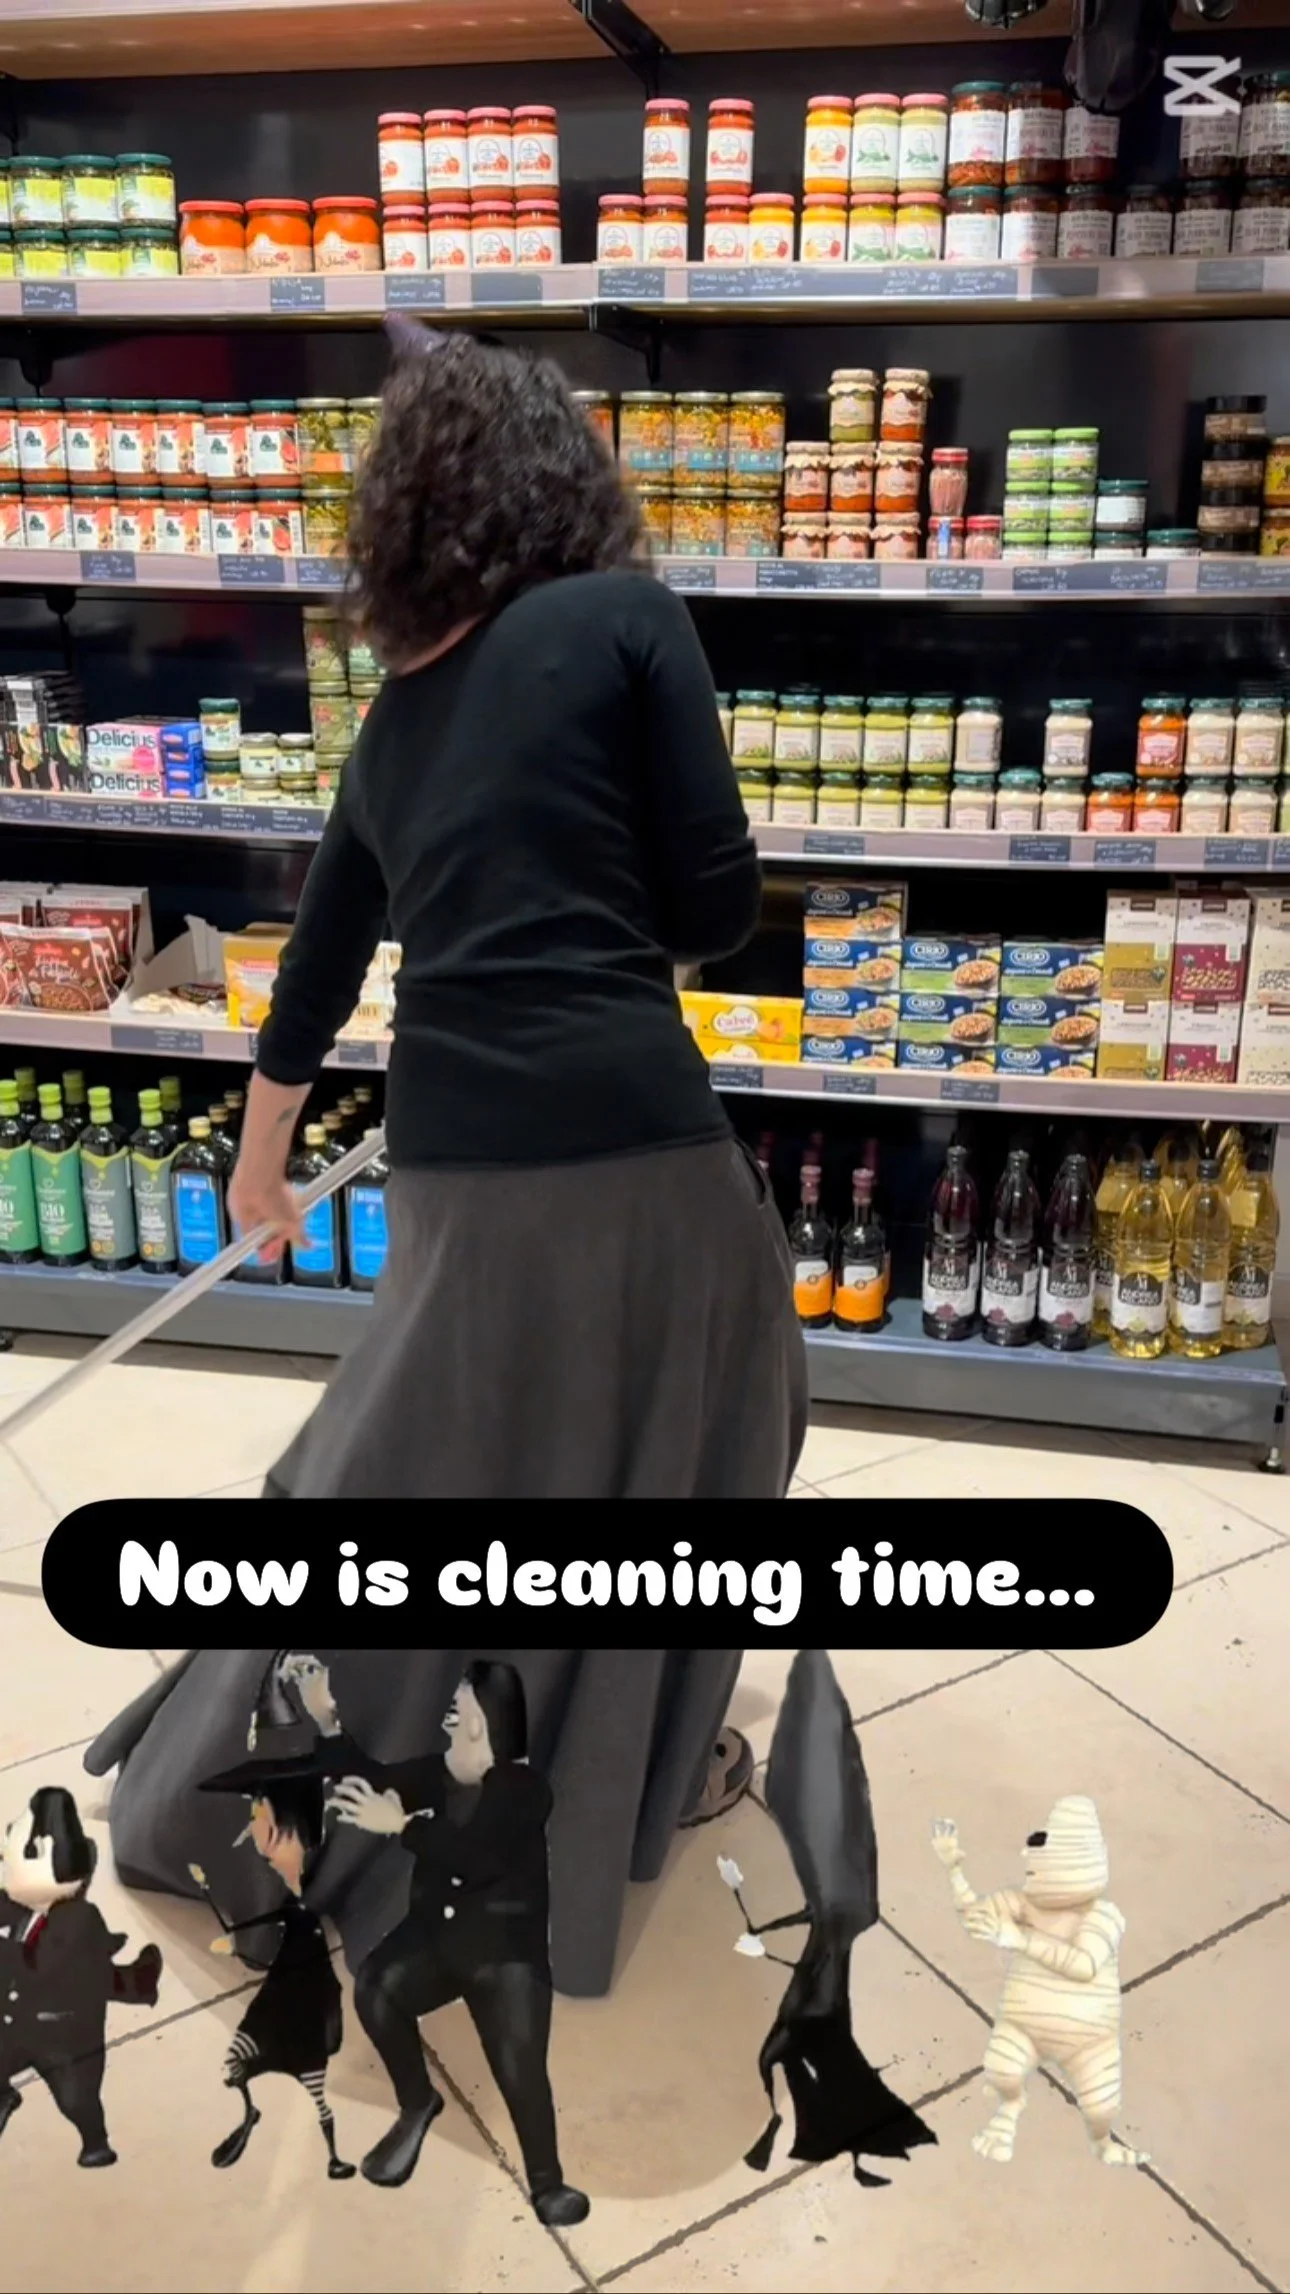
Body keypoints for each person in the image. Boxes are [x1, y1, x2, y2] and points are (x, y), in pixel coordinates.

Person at [227, 323, 806, 1502]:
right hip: (629, 1125)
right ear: (569, 478)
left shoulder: (389, 721)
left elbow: (318, 969)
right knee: (703, 1423)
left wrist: (261, 1162)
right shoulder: (629, 616)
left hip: (447, 1154)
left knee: (461, 1448)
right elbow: (717, 909)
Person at [326, 1658, 587, 2222]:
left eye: (457, 1707)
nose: (447, 1717)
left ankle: (547, 2182)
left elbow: (480, 1857)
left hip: (505, 1962)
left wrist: (403, 1825)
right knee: (375, 1987)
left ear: (478, 1722)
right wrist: (327, 1723)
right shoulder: (442, 1774)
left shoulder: (525, 1792)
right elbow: (374, 1781)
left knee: (519, 2068)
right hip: (437, 1942)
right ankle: (417, 2103)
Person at [192, 1658, 357, 2181]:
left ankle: (329, 2152)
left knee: (298, 2080)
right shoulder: (290, 1898)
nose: (257, 1837)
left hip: (300, 2001)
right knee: (243, 2064)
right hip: (290, 1998)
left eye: (262, 1823)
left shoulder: (301, 1909)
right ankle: (256, 2116)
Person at [0, 1786, 161, 2166]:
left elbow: (41, 1968)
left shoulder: (79, 1920)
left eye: (10, 1862)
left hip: (66, 2036)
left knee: (76, 2098)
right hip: (17, 2022)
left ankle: (95, 2140)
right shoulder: (22, 1906)